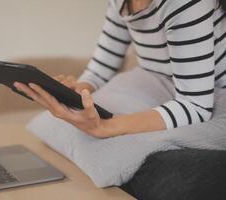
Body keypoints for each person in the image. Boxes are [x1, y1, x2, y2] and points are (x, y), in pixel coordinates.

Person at [14, 0, 226, 138]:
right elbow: (99, 70)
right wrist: (76, 92)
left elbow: (195, 105)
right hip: (171, 93)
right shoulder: (120, 2)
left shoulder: (185, 4)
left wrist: (105, 127)